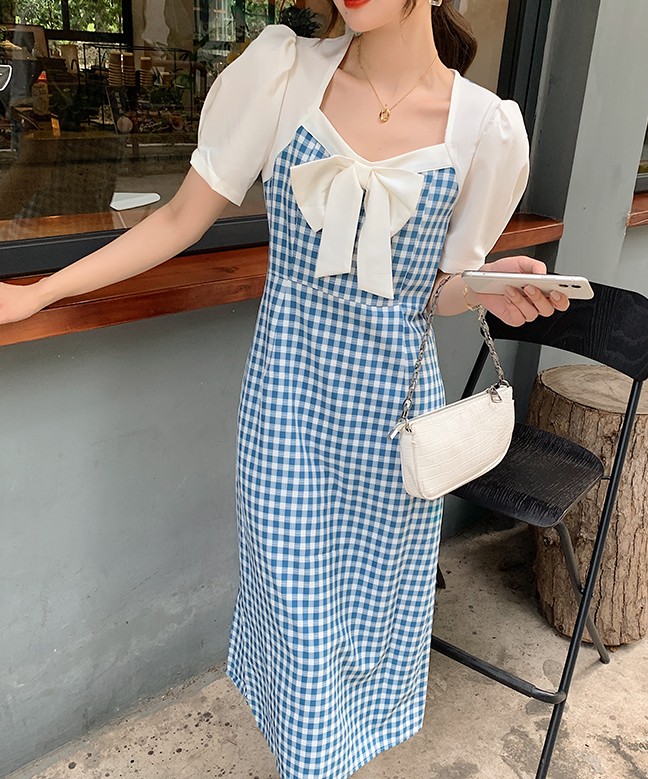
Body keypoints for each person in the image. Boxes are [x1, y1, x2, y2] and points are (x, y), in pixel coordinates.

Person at [0, 1, 569, 777]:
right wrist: (39, 292)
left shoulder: (486, 129)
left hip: (394, 425)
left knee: (365, 626)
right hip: (287, 412)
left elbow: (436, 291)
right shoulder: (282, 74)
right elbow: (180, 218)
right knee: (298, 629)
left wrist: (488, 287)